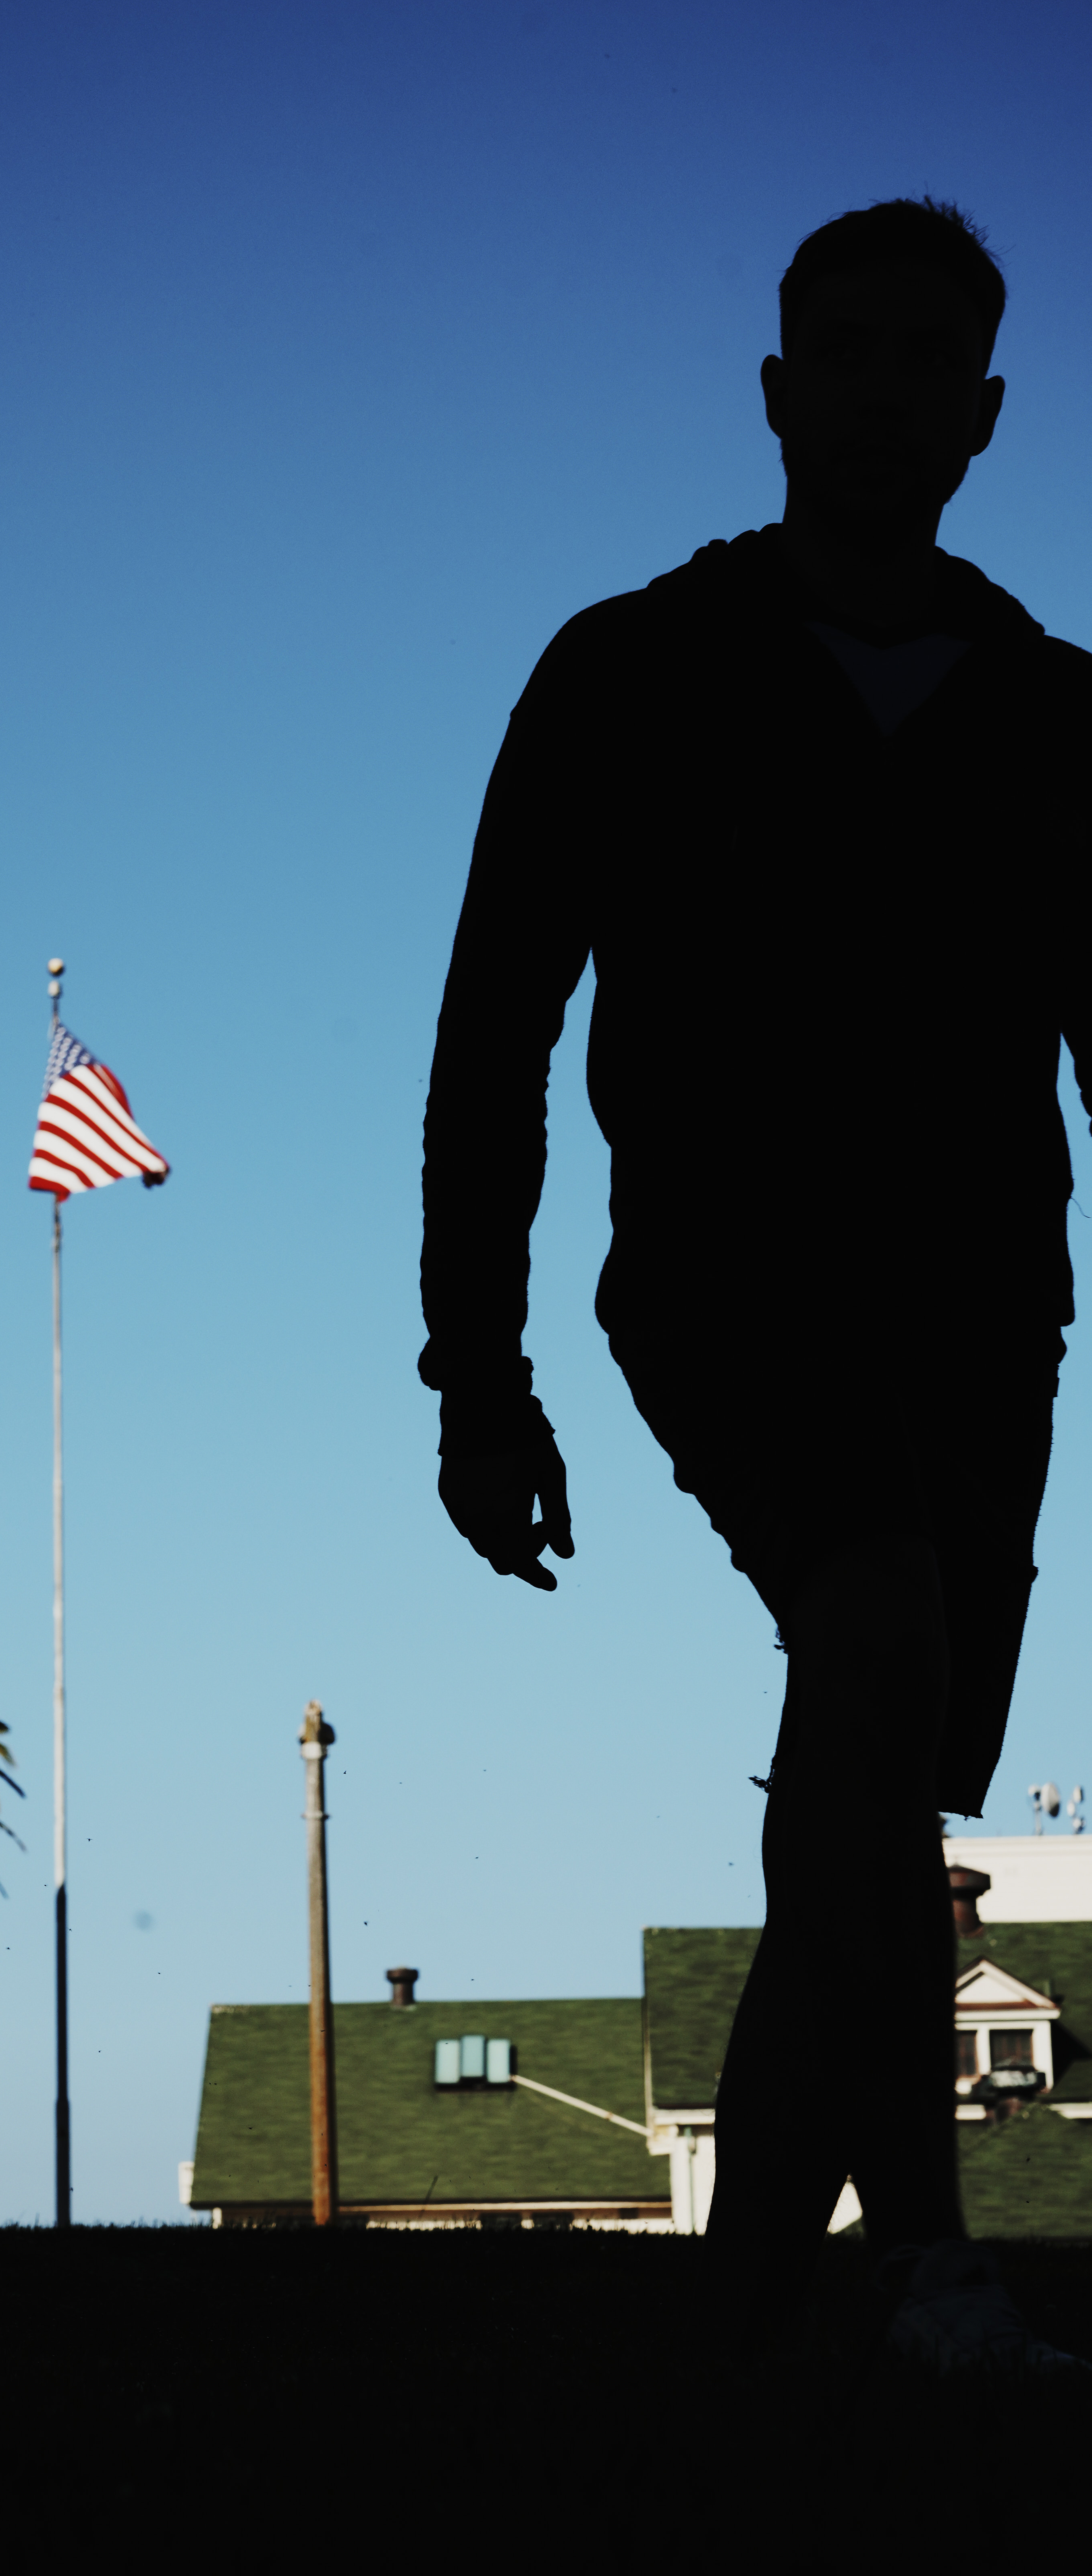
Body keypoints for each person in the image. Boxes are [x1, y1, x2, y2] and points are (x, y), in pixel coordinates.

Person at [419, 197, 1092, 2374]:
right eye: (855, 353)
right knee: (879, 1630)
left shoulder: (1058, 714)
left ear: (986, 417)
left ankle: (746, 2325)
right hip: (723, 1281)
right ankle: (938, 2263)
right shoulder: (631, 669)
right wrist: (479, 1368)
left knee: (882, 1766)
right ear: (784, 390)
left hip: (988, 1306)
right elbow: (495, 1025)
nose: (893, 393)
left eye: (936, 362)